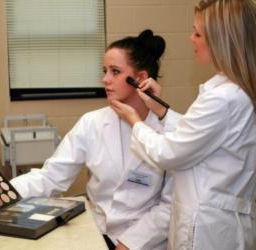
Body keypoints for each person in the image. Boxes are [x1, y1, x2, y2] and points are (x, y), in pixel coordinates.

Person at [10, 30, 181, 250]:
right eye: (104, 70)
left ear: (140, 79)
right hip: (98, 234)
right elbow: (51, 177)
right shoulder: (92, 123)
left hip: (147, 242)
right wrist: (2, 191)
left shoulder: (171, 130)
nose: (105, 79)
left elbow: (170, 205)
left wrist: (130, 244)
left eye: (115, 71)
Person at [110, 0, 256, 249]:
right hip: (218, 222)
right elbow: (199, 138)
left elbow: (170, 154)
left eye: (198, 33)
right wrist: (161, 110)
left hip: (209, 229)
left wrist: (135, 122)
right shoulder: (232, 91)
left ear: (222, 39)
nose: (191, 38)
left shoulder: (222, 98)